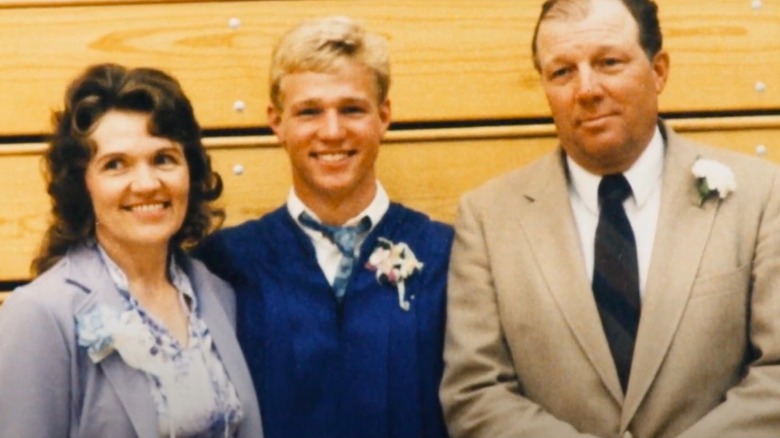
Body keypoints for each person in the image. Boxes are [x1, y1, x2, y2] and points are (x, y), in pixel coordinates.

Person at [440, 0, 780, 437]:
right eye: (562, 71)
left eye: (609, 62)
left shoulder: (760, 196)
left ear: (658, 71)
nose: (586, 89)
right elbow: (475, 392)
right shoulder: (488, 219)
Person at [194, 16, 453, 438]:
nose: (332, 132)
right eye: (309, 112)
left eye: (352, 109)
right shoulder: (225, 263)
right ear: (276, 122)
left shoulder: (448, 257)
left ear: (384, 116)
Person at [0, 63, 263, 437]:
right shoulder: (41, 316)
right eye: (116, 165)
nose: (146, 183)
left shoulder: (216, 294)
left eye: (163, 159)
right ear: (82, 186)